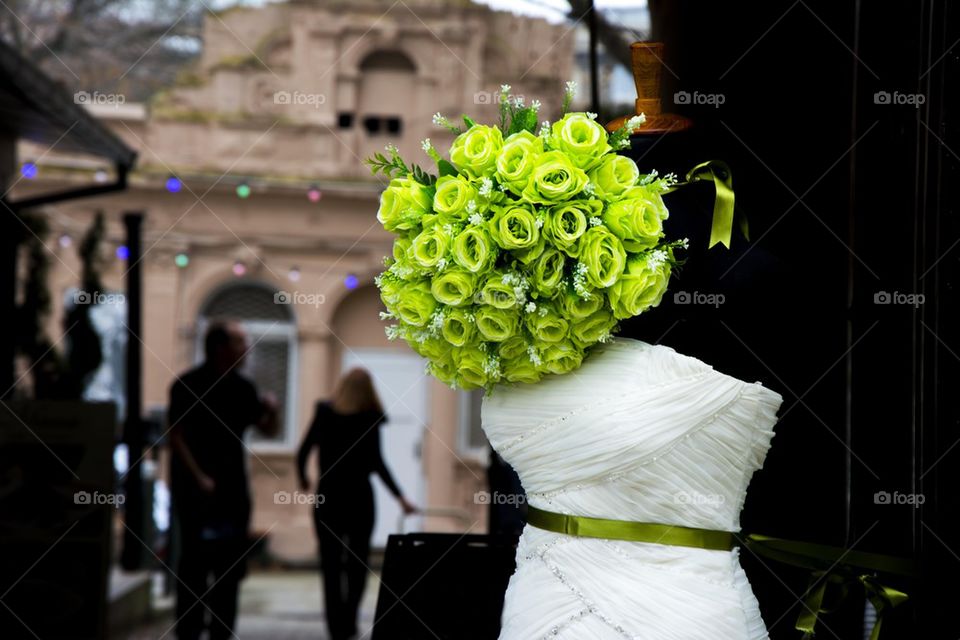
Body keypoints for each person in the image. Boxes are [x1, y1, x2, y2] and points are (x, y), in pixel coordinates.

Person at [168, 320, 278, 640]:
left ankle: (221, 631)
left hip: (233, 490)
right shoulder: (187, 384)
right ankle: (188, 629)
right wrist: (199, 477)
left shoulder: (244, 389)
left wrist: (273, 410)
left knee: (229, 567)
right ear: (220, 348)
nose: (247, 349)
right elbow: (176, 436)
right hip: (194, 492)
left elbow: (267, 428)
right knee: (193, 564)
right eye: (240, 342)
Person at [297, 367, 416, 640]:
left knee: (330, 565)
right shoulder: (370, 417)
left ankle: (335, 628)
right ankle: (349, 621)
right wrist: (400, 498)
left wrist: (303, 478)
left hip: (327, 498)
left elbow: (304, 450)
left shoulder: (324, 412)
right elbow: (377, 463)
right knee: (357, 563)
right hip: (360, 499)